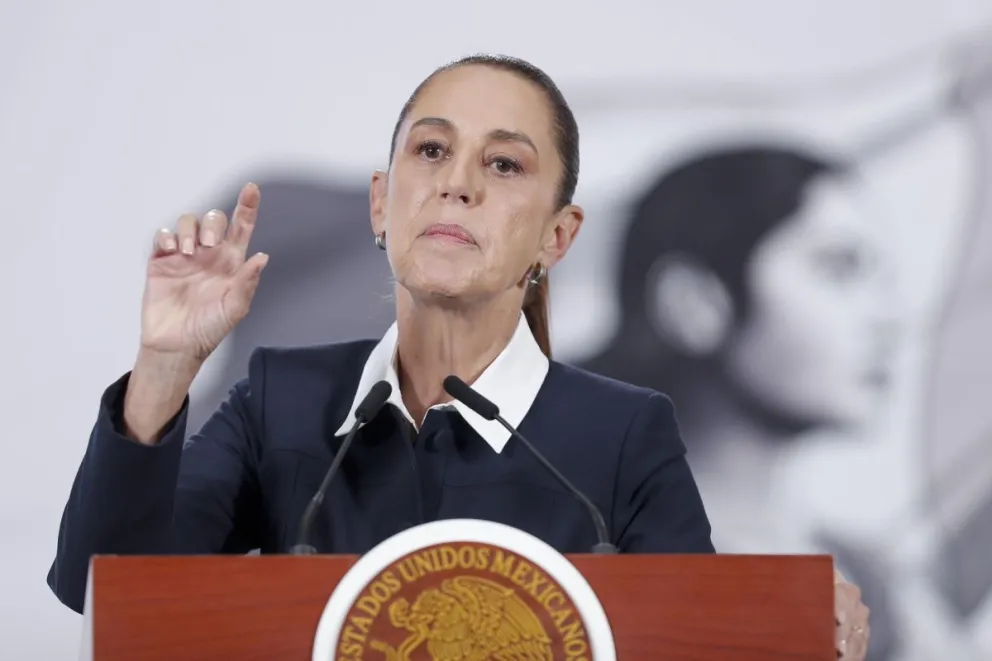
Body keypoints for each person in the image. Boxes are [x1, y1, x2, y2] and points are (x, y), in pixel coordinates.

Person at [45, 54, 871, 658]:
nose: (457, 184)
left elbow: (700, 639)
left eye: (504, 163)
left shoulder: (623, 431)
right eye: (431, 151)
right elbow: (105, 590)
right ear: (382, 202)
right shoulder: (282, 400)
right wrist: (164, 364)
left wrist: (794, 620)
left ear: (558, 235)